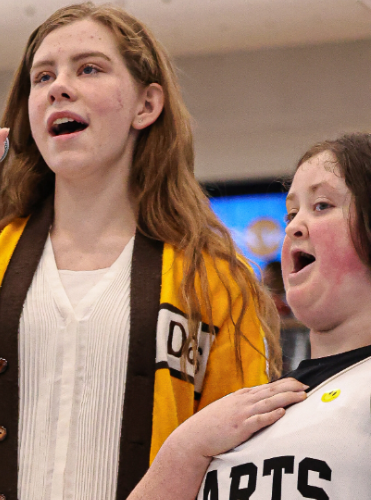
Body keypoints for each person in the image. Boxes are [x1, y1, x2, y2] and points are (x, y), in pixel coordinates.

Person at [0, 3, 281, 499]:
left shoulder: (214, 278)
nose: (59, 87)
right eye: (43, 76)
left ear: (147, 105)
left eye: (89, 68)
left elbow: (246, 459)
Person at [129, 133, 371, 499]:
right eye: (291, 212)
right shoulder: (243, 412)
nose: (293, 226)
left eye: (322, 205)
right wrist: (185, 448)